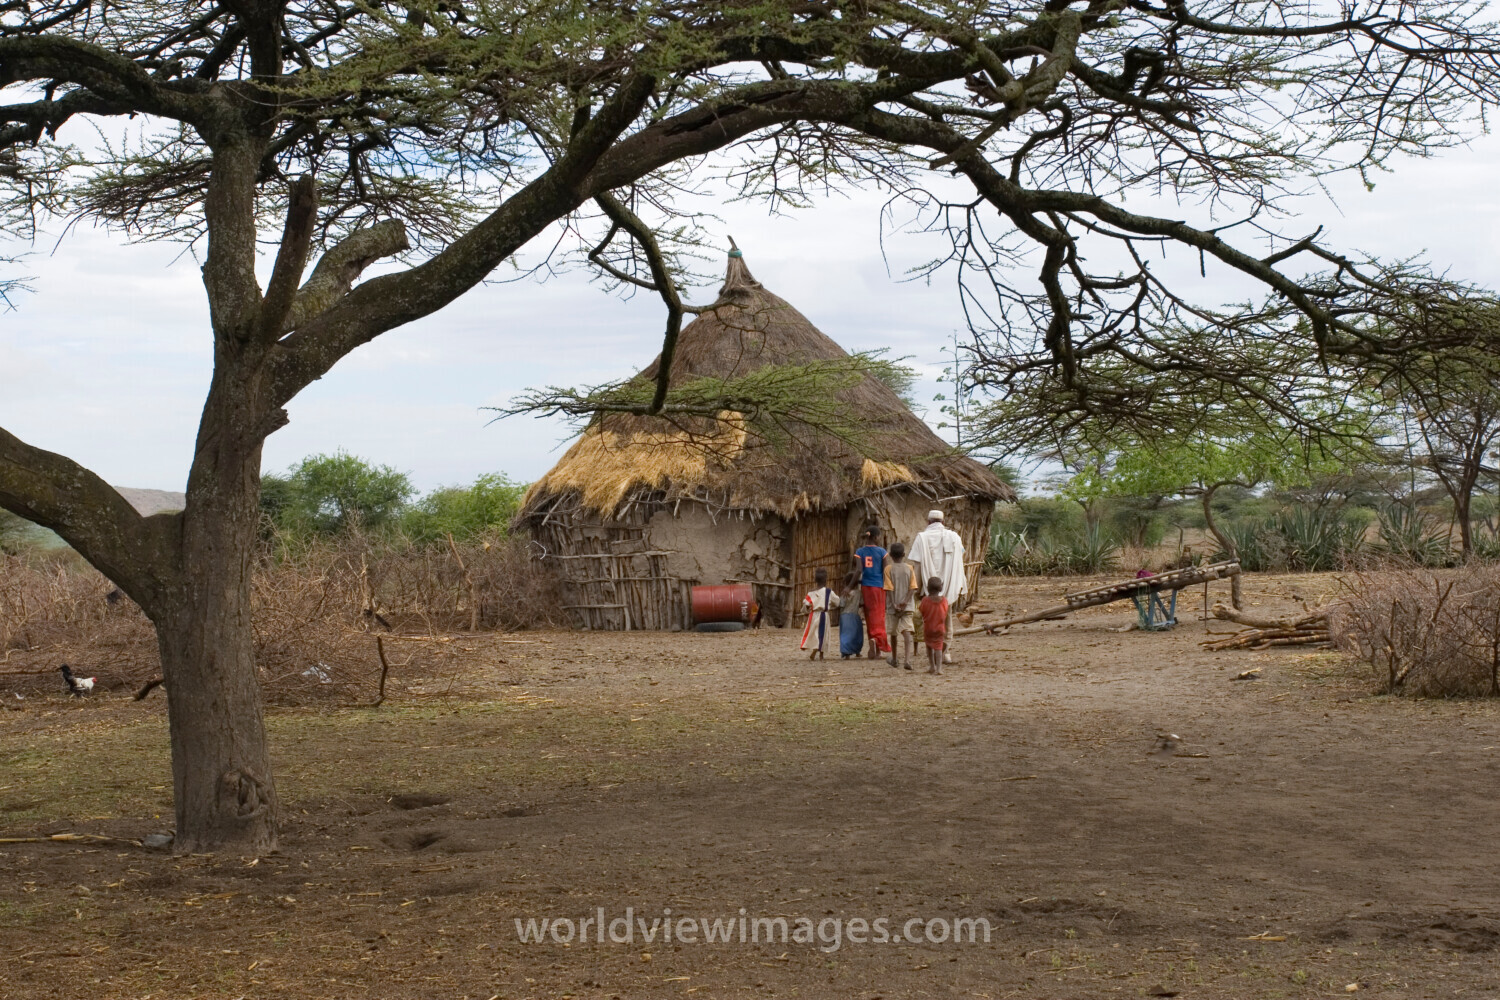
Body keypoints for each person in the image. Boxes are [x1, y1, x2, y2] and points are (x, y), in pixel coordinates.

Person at [908, 510, 966, 664]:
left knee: (929, 621)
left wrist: (918, 588)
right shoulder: (955, 537)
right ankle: (945, 653)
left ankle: (933, 653)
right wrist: (955, 584)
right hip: (948, 586)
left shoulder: (921, 538)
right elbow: (959, 561)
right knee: (947, 619)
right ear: (943, 522)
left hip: (929, 588)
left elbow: (918, 566)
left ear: (928, 522)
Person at [851, 525, 892, 660]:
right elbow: (886, 571)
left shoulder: (860, 552)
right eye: (879, 536)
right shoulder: (881, 552)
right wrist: (890, 588)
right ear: (875, 537)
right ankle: (878, 644)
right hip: (879, 587)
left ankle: (872, 643)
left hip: (866, 587)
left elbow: (858, 571)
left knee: (869, 616)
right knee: (879, 615)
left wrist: (850, 586)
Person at [883, 541, 918, 670]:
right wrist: (906, 602)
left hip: (893, 607)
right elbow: (912, 588)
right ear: (904, 554)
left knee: (893, 633)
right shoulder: (910, 568)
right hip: (907, 606)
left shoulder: (888, 569)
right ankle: (907, 660)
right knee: (907, 631)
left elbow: (889, 588)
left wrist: (893, 603)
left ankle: (894, 658)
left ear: (890, 555)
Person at [800, 568, 840, 660]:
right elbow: (837, 602)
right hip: (824, 615)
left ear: (815, 580)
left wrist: (807, 609)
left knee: (814, 633)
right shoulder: (829, 592)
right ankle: (820, 653)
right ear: (826, 579)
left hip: (813, 615)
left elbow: (805, 605)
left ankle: (815, 649)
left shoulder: (811, 593)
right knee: (823, 633)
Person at [918, 576, 949, 675]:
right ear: (941, 588)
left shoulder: (925, 600)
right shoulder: (944, 601)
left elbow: (921, 611)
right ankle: (939, 668)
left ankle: (932, 666)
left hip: (928, 628)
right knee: (938, 647)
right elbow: (945, 612)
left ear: (927, 588)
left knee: (929, 646)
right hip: (940, 628)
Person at [838, 576, 865, 659]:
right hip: (855, 615)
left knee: (845, 635)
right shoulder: (859, 593)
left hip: (844, 616)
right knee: (857, 634)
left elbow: (841, 604)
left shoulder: (844, 593)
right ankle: (857, 652)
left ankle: (846, 653)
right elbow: (861, 604)